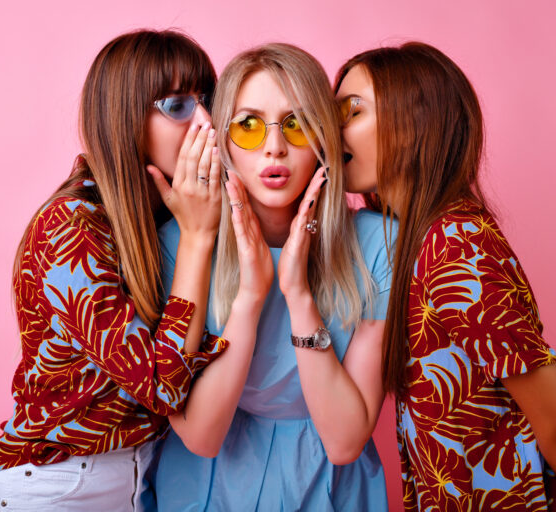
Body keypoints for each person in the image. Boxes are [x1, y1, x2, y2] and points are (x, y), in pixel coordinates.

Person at [334, 42, 556, 511]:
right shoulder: (413, 240)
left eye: (352, 110)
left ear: (415, 121)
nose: (333, 129)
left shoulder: (458, 245)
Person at [0, 30, 228, 511]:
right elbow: (162, 386)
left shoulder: (161, 220)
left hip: (136, 485)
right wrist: (198, 239)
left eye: (208, 100)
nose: (206, 122)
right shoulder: (70, 227)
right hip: (55, 487)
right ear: (125, 117)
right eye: (177, 106)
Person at [149, 43, 392, 511]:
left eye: (297, 124)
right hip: (207, 485)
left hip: (333, 487)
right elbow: (201, 434)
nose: (274, 147)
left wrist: (298, 295)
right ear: (220, 140)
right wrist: (250, 298)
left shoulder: (379, 242)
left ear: (324, 135)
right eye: (249, 125)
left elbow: (345, 442)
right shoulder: (176, 245)